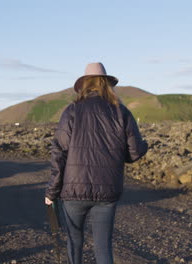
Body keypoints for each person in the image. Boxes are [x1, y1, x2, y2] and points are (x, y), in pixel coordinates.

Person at [45, 62, 148, 264]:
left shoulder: (72, 110)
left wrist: (51, 192)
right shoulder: (121, 112)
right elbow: (134, 153)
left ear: (84, 84)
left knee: (74, 243)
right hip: (107, 191)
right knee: (103, 247)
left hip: (73, 192)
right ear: (107, 84)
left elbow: (59, 153)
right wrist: (144, 144)